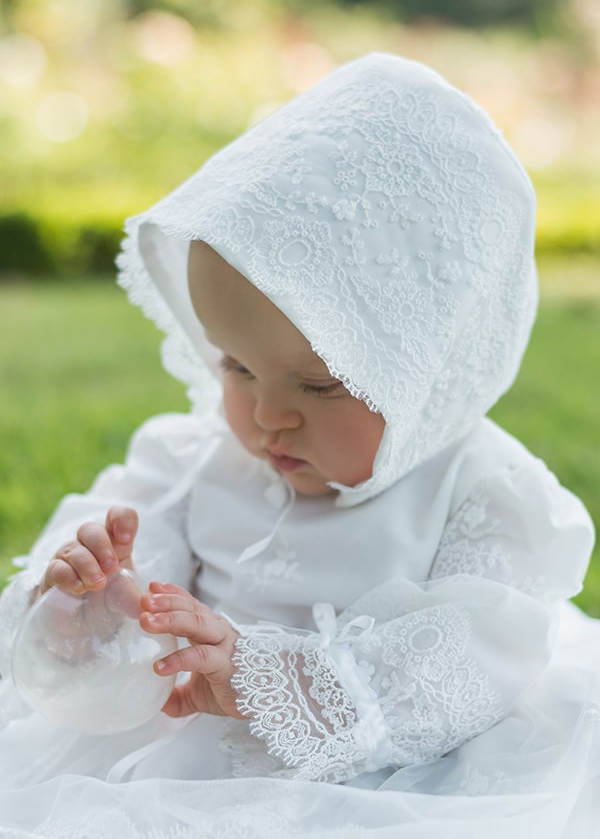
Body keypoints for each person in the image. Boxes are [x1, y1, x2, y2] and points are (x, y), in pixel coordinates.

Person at [0, 52, 598, 838]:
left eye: (318, 387)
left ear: (435, 368)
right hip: (175, 763)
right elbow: (133, 596)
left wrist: (265, 682)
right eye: (236, 367)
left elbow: (465, 667)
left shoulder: (486, 497)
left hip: (383, 782)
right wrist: (92, 610)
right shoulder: (192, 462)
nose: (267, 417)